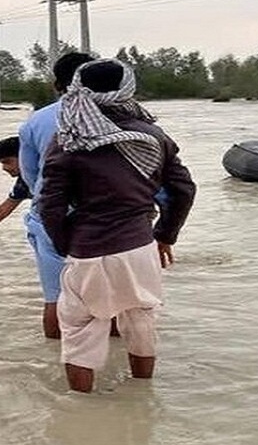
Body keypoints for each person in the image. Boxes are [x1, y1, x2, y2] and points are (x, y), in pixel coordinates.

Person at [39, 59, 196, 393]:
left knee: (81, 331)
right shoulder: (154, 136)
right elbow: (183, 190)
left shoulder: (68, 139)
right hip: (140, 247)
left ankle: (81, 413)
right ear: (128, 88)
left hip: (87, 250)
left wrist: (66, 244)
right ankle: (142, 394)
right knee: (141, 320)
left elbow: (49, 204)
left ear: (78, 87)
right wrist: (165, 236)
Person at [18, 52, 95, 338]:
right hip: (107, 220)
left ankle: (55, 366)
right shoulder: (122, 116)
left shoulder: (35, 122)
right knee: (111, 302)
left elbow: (30, 176)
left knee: (55, 297)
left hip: (51, 217)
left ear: (56, 84)